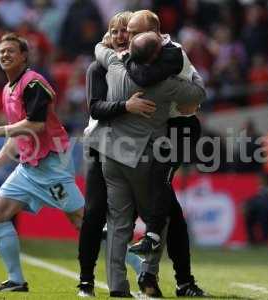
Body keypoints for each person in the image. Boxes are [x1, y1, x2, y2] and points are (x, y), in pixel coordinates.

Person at [88, 30, 205, 296]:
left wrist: (106, 41)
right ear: (156, 56)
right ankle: (148, 276)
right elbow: (198, 93)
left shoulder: (115, 66)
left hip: (111, 157)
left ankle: (117, 288)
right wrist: (192, 69)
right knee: (158, 219)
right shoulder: (166, 84)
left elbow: (100, 50)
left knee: (118, 224)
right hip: (142, 159)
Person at [0, 33, 85, 292]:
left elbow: (36, 124)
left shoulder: (33, 83)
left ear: (24, 56)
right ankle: (16, 280)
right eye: (2, 51)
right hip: (28, 167)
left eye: (11, 51)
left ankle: (137, 265)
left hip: (52, 164)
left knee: (83, 223)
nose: (4, 55)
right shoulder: (7, 89)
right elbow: (18, 136)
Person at [124, 10, 210, 298]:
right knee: (171, 212)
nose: (129, 37)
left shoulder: (169, 53)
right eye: (127, 32)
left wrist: (125, 58)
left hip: (179, 129)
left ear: (155, 34)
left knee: (160, 188)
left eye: (135, 32)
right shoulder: (143, 51)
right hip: (155, 133)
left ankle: (150, 246)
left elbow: (143, 76)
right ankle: (176, 280)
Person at [79, 11, 154, 297]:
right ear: (107, 37)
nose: (121, 36)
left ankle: (141, 277)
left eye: (126, 30)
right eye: (115, 31)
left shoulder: (141, 66)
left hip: (131, 148)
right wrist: (126, 107)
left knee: (127, 217)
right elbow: (95, 108)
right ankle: (86, 280)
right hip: (100, 147)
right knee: (95, 212)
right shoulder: (97, 68)